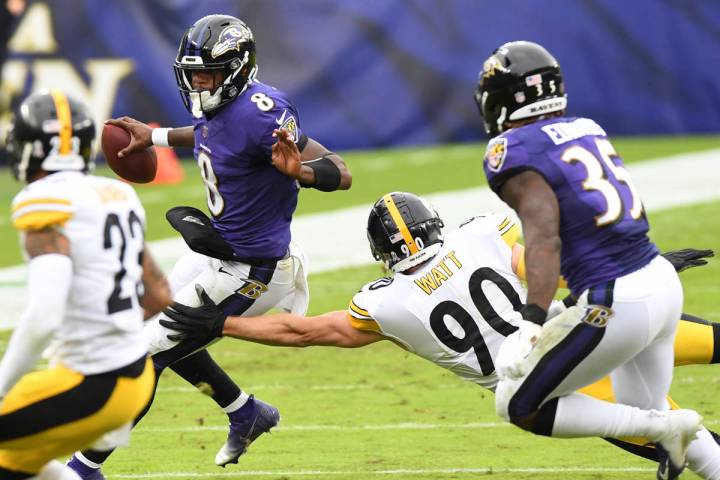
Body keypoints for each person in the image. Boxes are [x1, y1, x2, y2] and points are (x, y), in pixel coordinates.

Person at [161, 191, 720, 479]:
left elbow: (303, 332)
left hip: (556, 383)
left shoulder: (387, 303)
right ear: (434, 223)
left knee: (692, 447)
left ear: (383, 255)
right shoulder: (480, 233)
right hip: (596, 323)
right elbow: (548, 265)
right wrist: (639, 270)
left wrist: (223, 321)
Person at [67, 14, 352, 478]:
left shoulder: (263, 114)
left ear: (237, 70)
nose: (198, 84)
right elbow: (212, 136)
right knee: (155, 317)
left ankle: (83, 469)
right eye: (192, 74)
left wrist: (298, 171)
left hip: (254, 270)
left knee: (145, 355)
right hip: (219, 252)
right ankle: (244, 411)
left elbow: (341, 172)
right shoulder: (222, 111)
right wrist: (155, 137)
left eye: (207, 75)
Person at [474, 40, 702, 479]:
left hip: (617, 300)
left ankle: (668, 427)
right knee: (655, 420)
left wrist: (531, 322)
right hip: (658, 280)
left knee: (516, 403)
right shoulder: (585, 126)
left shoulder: (512, 151)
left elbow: (544, 240)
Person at [0, 90, 165, 479]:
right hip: (136, 376)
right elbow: (158, 295)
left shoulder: (43, 199)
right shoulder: (117, 193)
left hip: (92, 384)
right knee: (15, 460)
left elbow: (43, 317)